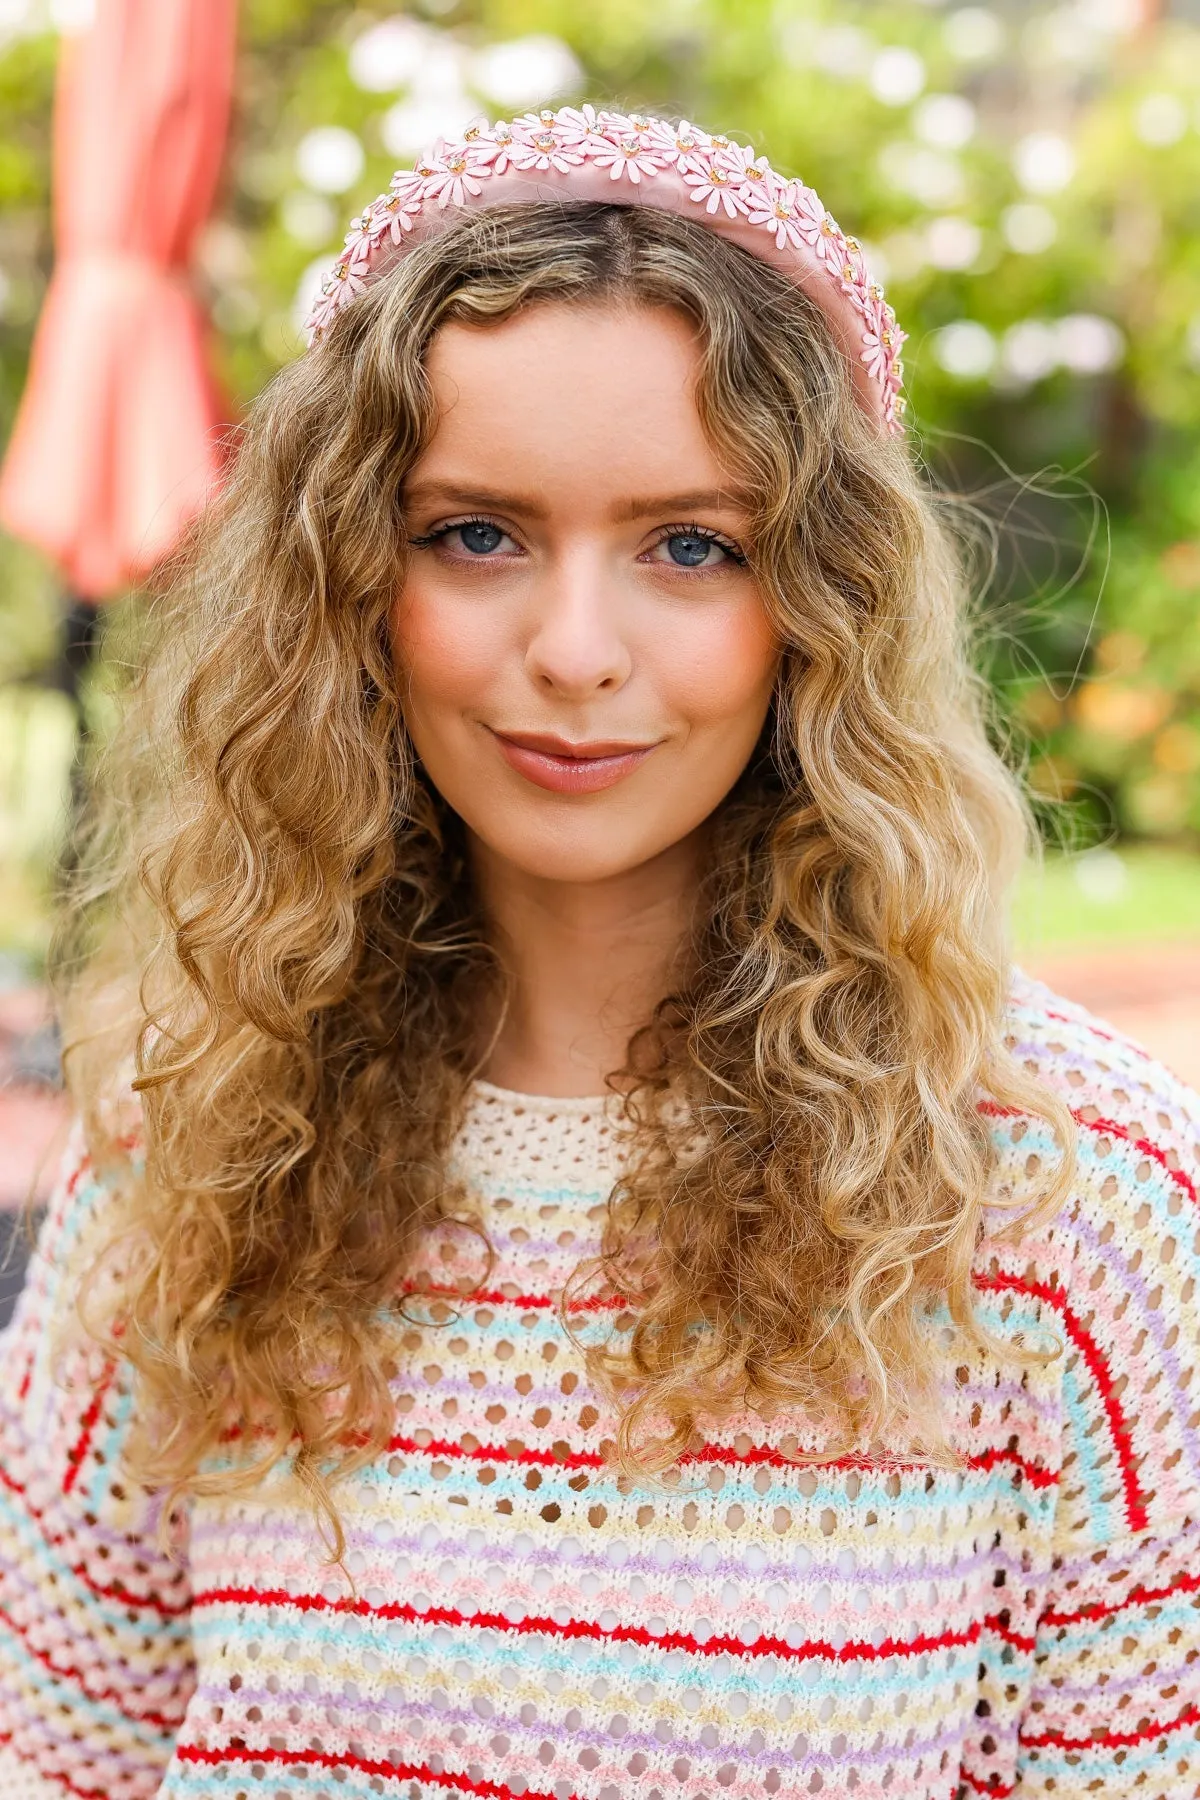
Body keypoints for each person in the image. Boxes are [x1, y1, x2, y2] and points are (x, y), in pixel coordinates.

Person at [0, 104, 1197, 1800]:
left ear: (818, 601)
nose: (574, 651)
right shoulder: (181, 1141)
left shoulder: (1075, 1200)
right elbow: (63, 1761)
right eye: (475, 534)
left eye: (690, 546)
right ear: (348, 578)